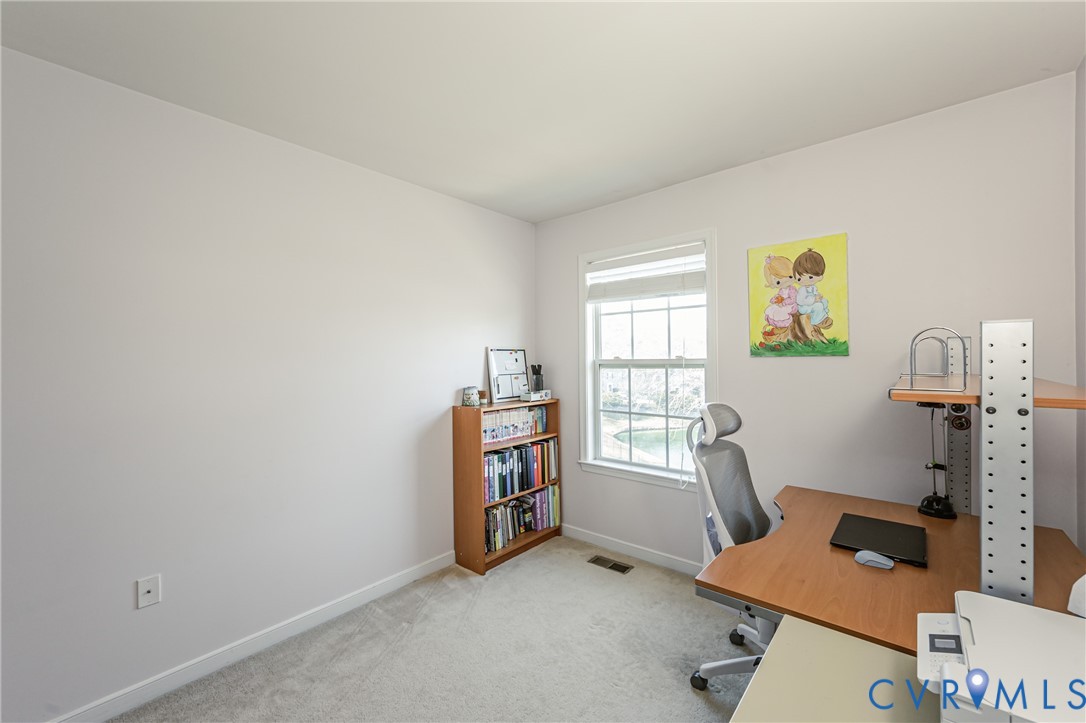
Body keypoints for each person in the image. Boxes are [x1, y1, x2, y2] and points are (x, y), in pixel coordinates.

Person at [794, 248, 831, 328]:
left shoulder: (813, 287)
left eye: (810, 277)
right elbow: (800, 301)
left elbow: (814, 294)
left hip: (810, 304)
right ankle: (816, 321)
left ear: (820, 276)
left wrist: (818, 297)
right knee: (818, 306)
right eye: (799, 279)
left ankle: (824, 317)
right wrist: (814, 300)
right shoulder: (802, 290)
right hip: (803, 307)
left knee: (824, 302)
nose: (805, 281)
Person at [761, 255, 797, 330]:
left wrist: (784, 302)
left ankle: (783, 325)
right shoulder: (781, 290)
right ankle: (777, 325)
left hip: (792, 306)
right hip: (783, 305)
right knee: (772, 309)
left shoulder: (792, 289)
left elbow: (793, 299)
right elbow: (779, 296)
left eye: (790, 277)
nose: (785, 281)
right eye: (778, 282)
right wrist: (775, 299)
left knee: (780, 311)